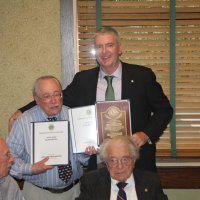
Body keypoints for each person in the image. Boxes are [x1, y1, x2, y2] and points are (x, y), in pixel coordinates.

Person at [8, 27, 173, 172]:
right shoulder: (84, 80)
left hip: (137, 161)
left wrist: (145, 135)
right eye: (99, 47)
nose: (104, 51)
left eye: (109, 45)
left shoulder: (142, 76)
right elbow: (57, 98)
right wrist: (22, 110)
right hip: (99, 161)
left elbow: (165, 110)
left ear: (120, 48)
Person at [6, 76, 96, 200]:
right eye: (47, 96)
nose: (54, 101)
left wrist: (86, 153)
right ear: (36, 99)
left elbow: (81, 159)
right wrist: (31, 168)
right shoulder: (23, 122)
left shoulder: (73, 116)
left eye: (56, 94)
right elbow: (8, 159)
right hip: (38, 193)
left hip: (75, 191)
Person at [76, 135, 168, 200]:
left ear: (134, 160)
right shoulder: (91, 181)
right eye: (113, 160)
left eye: (125, 159)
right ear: (106, 163)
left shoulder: (150, 181)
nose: (120, 166)